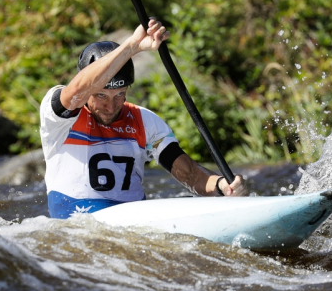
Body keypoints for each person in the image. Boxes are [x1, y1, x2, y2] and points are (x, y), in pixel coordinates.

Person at [39, 17, 248, 219]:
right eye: (101, 95)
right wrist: (132, 46)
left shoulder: (144, 121)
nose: (111, 106)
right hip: (77, 224)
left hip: (134, 224)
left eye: (119, 94)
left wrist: (221, 186)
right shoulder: (59, 116)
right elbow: (78, 88)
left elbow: (189, 173)